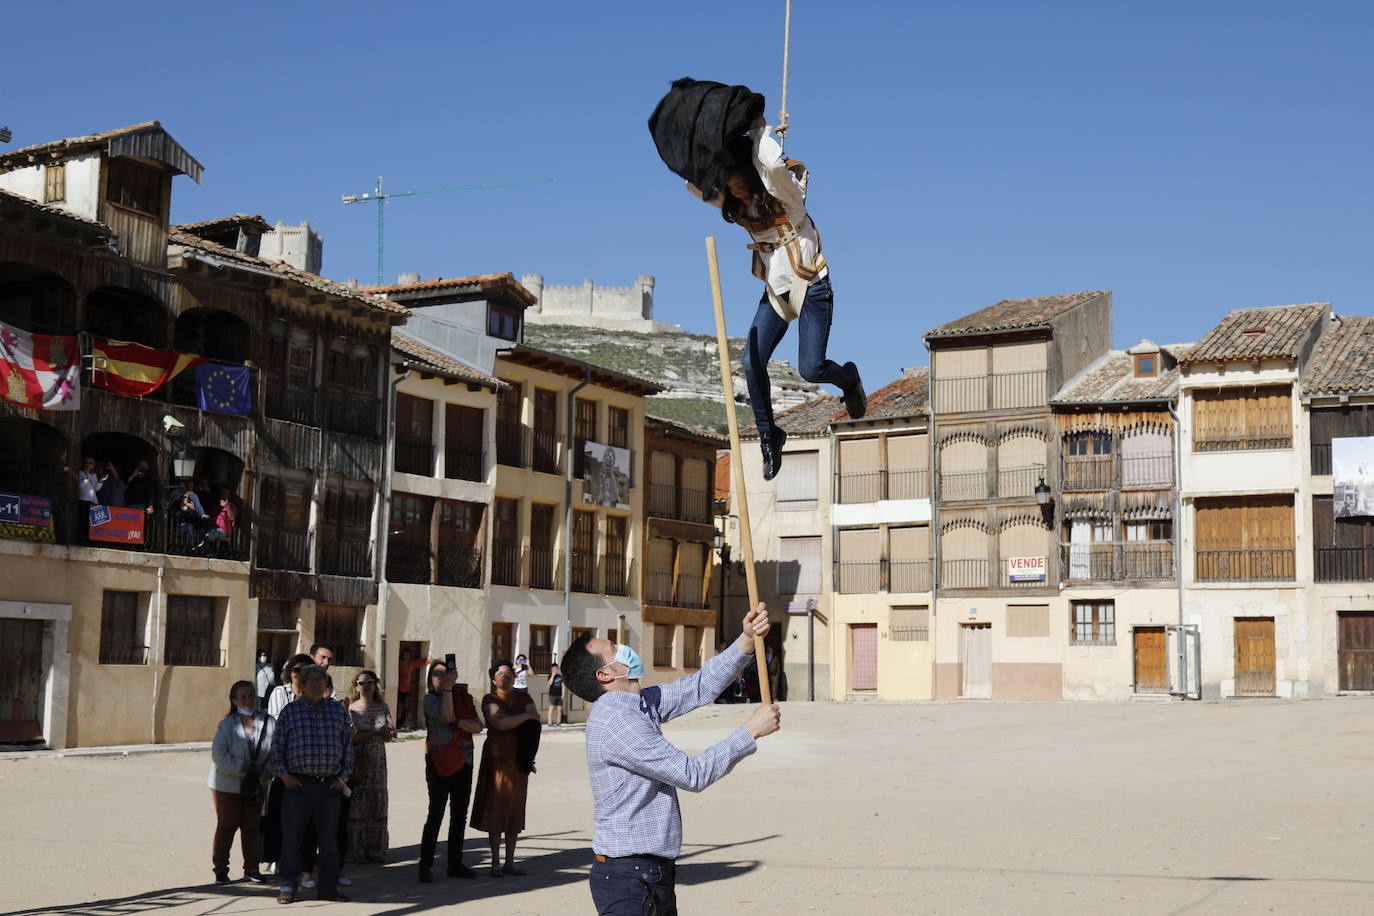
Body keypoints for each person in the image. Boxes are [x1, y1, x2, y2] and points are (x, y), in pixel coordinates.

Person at [561, 603, 781, 914]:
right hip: (628, 875)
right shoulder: (617, 722)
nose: (625, 648)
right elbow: (691, 774)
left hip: (649, 871)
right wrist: (750, 732)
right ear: (605, 674)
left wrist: (746, 639)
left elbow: (699, 686)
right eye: (614, 647)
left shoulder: (635, 704)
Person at [687, 120, 865, 481]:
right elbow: (693, 183)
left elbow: (770, 164)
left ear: (752, 176)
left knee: (810, 369)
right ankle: (771, 435)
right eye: (729, 186)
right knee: (751, 363)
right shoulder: (734, 203)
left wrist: (760, 132)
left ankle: (848, 380)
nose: (735, 192)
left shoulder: (785, 194)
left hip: (813, 288)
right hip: (776, 292)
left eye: (739, 183)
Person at [268, 664, 353, 905]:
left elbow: (347, 747)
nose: (317, 684)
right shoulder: (290, 712)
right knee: (292, 838)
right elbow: (277, 748)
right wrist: (284, 775)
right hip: (297, 785)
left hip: (329, 787)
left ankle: (327, 888)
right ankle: (287, 886)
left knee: (328, 840)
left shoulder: (337, 712)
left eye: (321, 680)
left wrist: (343, 777)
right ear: (302, 686)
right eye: (312, 680)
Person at [469, 660, 539, 877]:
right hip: (497, 761)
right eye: (500, 673)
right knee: (495, 809)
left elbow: (533, 720)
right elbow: (498, 722)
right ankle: (495, 862)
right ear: (493, 679)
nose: (505, 676)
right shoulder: (490, 698)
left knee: (514, 810)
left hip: (519, 762)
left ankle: (510, 861)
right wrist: (525, 717)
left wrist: (522, 718)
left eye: (509, 673)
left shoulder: (524, 697)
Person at [419, 659, 483, 882]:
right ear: (430, 679)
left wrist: (458, 722)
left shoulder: (462, 698)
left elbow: (477, 726)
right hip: (439, 762)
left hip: (464, 761)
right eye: (437, 674)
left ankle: (455, 864)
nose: (442, 677)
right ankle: (425, 866)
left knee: (459, 816)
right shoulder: (429, 700)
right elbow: (446, 716)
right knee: (435, 814)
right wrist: (448, 689)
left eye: (446, 674)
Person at [208, 680, 274, 885]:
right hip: (227, 784)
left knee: (251, 827)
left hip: (256, 784)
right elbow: (219, 755)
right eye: (242, 696)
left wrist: (268, 770)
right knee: (227, 826)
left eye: (251, 695)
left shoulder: (269, 722)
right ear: (234, 700)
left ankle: (252, 869)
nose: (247, 699)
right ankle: (221, 870)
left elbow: (276, 750)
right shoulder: (227, 725)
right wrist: (244, 769)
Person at [346, 670, 394, 864]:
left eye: (370, 682)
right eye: (362, 683)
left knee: (377, 800)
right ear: (356, 686)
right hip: (359, 760)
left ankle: (375, 849)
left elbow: (390, 736)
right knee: (358, 801)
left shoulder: (383, 707)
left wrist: (384, 733)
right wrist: (374, 731)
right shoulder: (351, 709)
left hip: (379, 761)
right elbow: (351, 737)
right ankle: (356, 850)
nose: (366, 686)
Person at [397, 647, 429, 730]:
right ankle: (397, 723)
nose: (407, 657)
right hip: (398, 690)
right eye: (405, 655)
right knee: (398, 708)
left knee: (407, 708)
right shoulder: (399, 665)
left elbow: (420, 662)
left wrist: (431, 659)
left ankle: (400, 723)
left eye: (408, 655)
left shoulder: (410, 665)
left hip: (407, 691)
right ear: (402, 656)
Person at [203, 488, 236, 555]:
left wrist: (228, 507)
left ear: (228, 496)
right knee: (201, 534)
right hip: (213, 529)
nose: (223, 495)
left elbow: (232, 518)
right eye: (222, 493)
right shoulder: (215, 506)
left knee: (207, 536)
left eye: (225, 494)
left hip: (223, 531)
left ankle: (211, 552)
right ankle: (209, 552)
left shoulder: (231, 506)